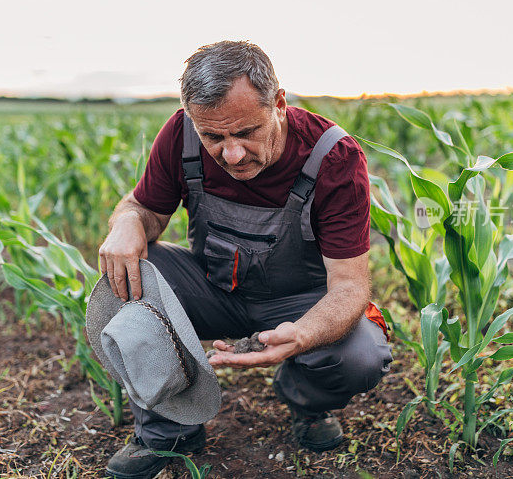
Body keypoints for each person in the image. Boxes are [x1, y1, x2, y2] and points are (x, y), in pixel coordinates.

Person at [98, 41, 392, 479]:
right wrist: (126, 221)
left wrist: (303, 334)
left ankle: (305, 401)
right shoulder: (180, 135)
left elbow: (349, 286)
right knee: (127, 273)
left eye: (246, 133)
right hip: (214, 289)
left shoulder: (333, 157)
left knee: (361, 355)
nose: (231, 154)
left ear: (279, 104)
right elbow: (145, 212)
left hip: (299, 303)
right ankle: (169, 430)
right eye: (213, 137)